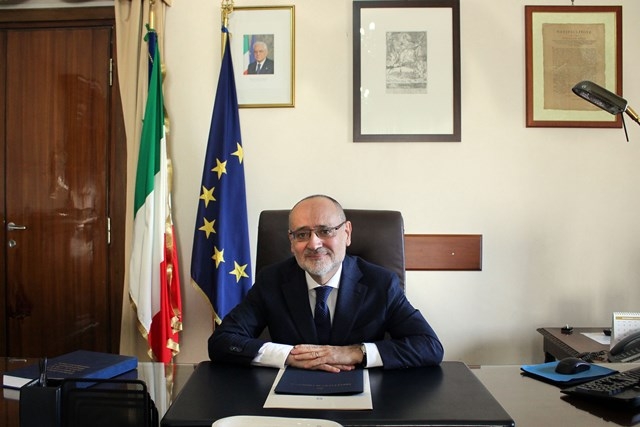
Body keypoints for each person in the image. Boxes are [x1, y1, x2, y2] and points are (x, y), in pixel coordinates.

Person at [208, 195, 444, 372]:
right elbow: (222, 342)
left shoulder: (380, 283)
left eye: (325, 231)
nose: (314, 244)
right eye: (302, 234)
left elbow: (429, 346)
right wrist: (289, 355)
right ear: (291, 242)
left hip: (363, 396)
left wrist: (355, 353)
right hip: (289, 399)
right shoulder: (271, 281)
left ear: (347, 233)